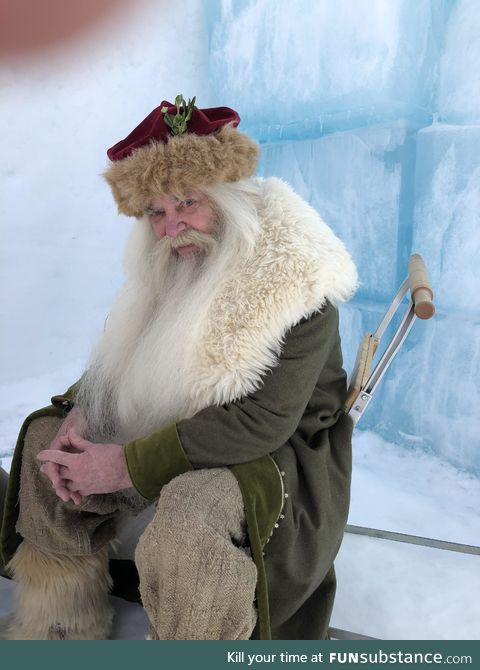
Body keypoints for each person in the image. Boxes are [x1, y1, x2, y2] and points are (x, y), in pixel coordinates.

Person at [0, 95, 358, 640]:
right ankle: (60, 623)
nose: (173, 227)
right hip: (182, 430)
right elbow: (126, 358)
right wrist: (82, 408)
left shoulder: (298, 286)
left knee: (193, 510)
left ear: (227, 197)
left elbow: (262, 423)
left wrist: (125, 466)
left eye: (189, 202)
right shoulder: (177, 263)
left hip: (275, 459)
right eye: (157, 212)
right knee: (49, 438)